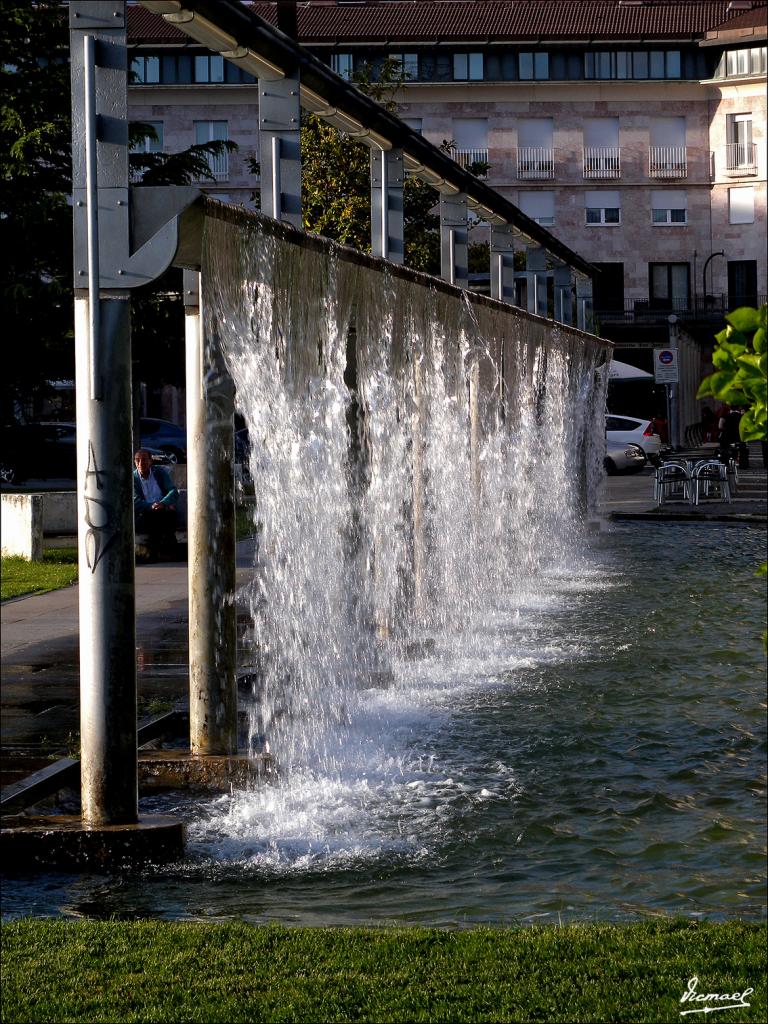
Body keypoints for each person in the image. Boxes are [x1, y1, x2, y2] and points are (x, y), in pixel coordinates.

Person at [133, 449, 179, 559]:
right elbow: (135, 501)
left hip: (162, 509)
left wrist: (164, 503)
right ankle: (162, 549)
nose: (140, 463)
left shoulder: (159, 473)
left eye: (144, 460)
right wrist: (151, 506)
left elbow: (173, 491)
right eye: (137, 460)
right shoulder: (133, 478)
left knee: (169, 513)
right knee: (155, 516)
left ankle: (162, 549)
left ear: (150, 461)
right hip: (144, 513)